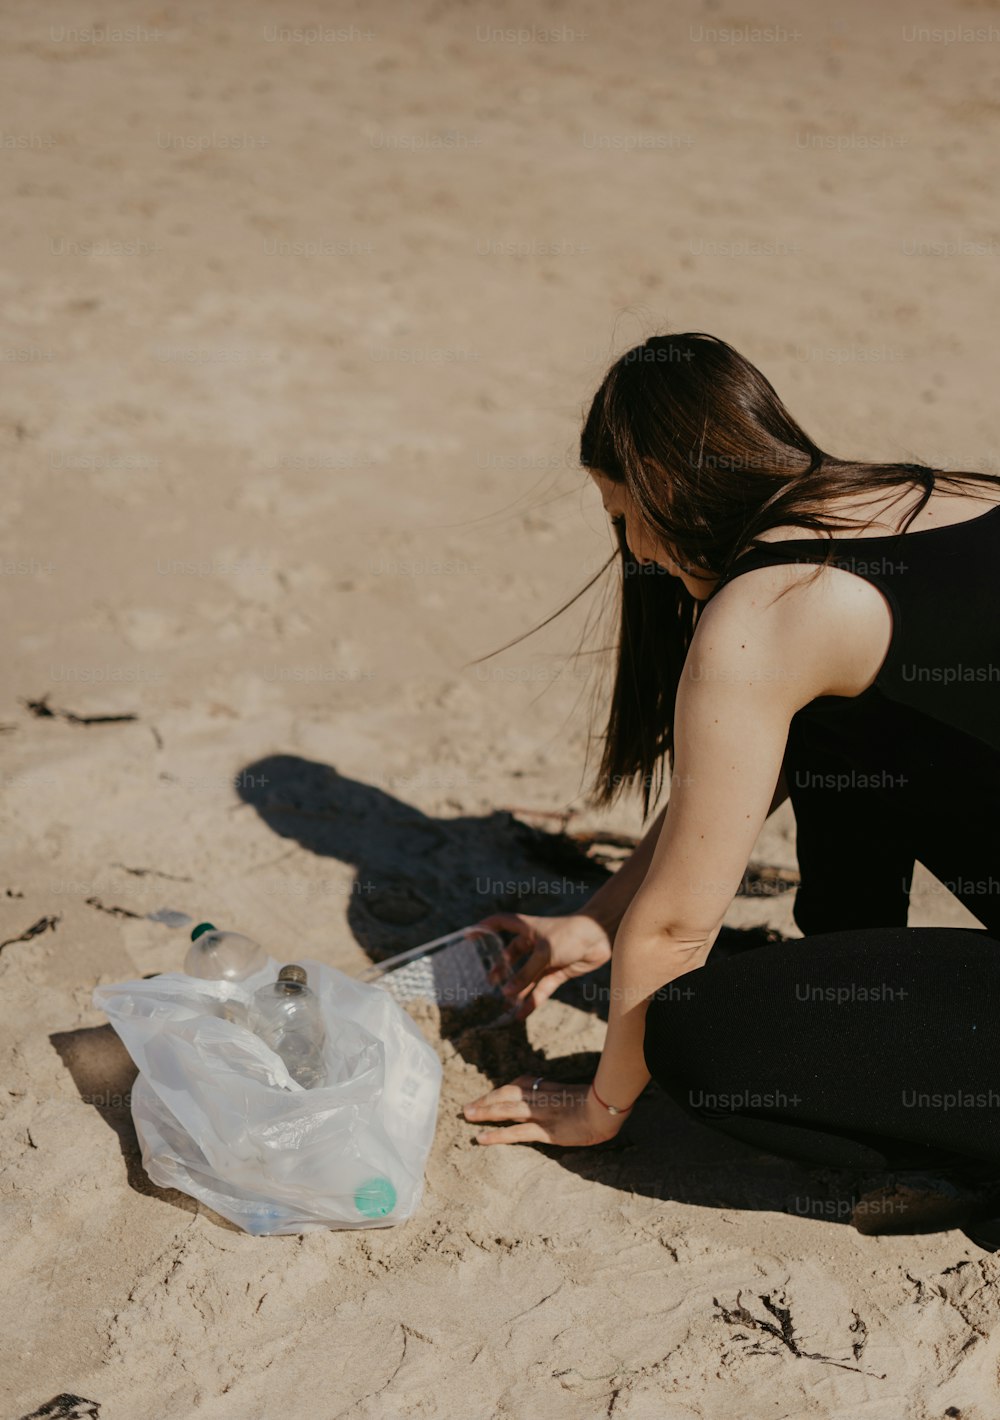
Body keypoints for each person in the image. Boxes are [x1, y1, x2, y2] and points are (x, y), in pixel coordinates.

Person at [461, 331, 1000, 1245]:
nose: (632, 547)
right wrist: (598, 918)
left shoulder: (772, 611)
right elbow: (739, 784)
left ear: (662, 493)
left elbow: (677, 934)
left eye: (618, 514)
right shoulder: (953, 497)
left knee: (694, 1037)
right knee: (842, 730)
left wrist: (601, 1106)